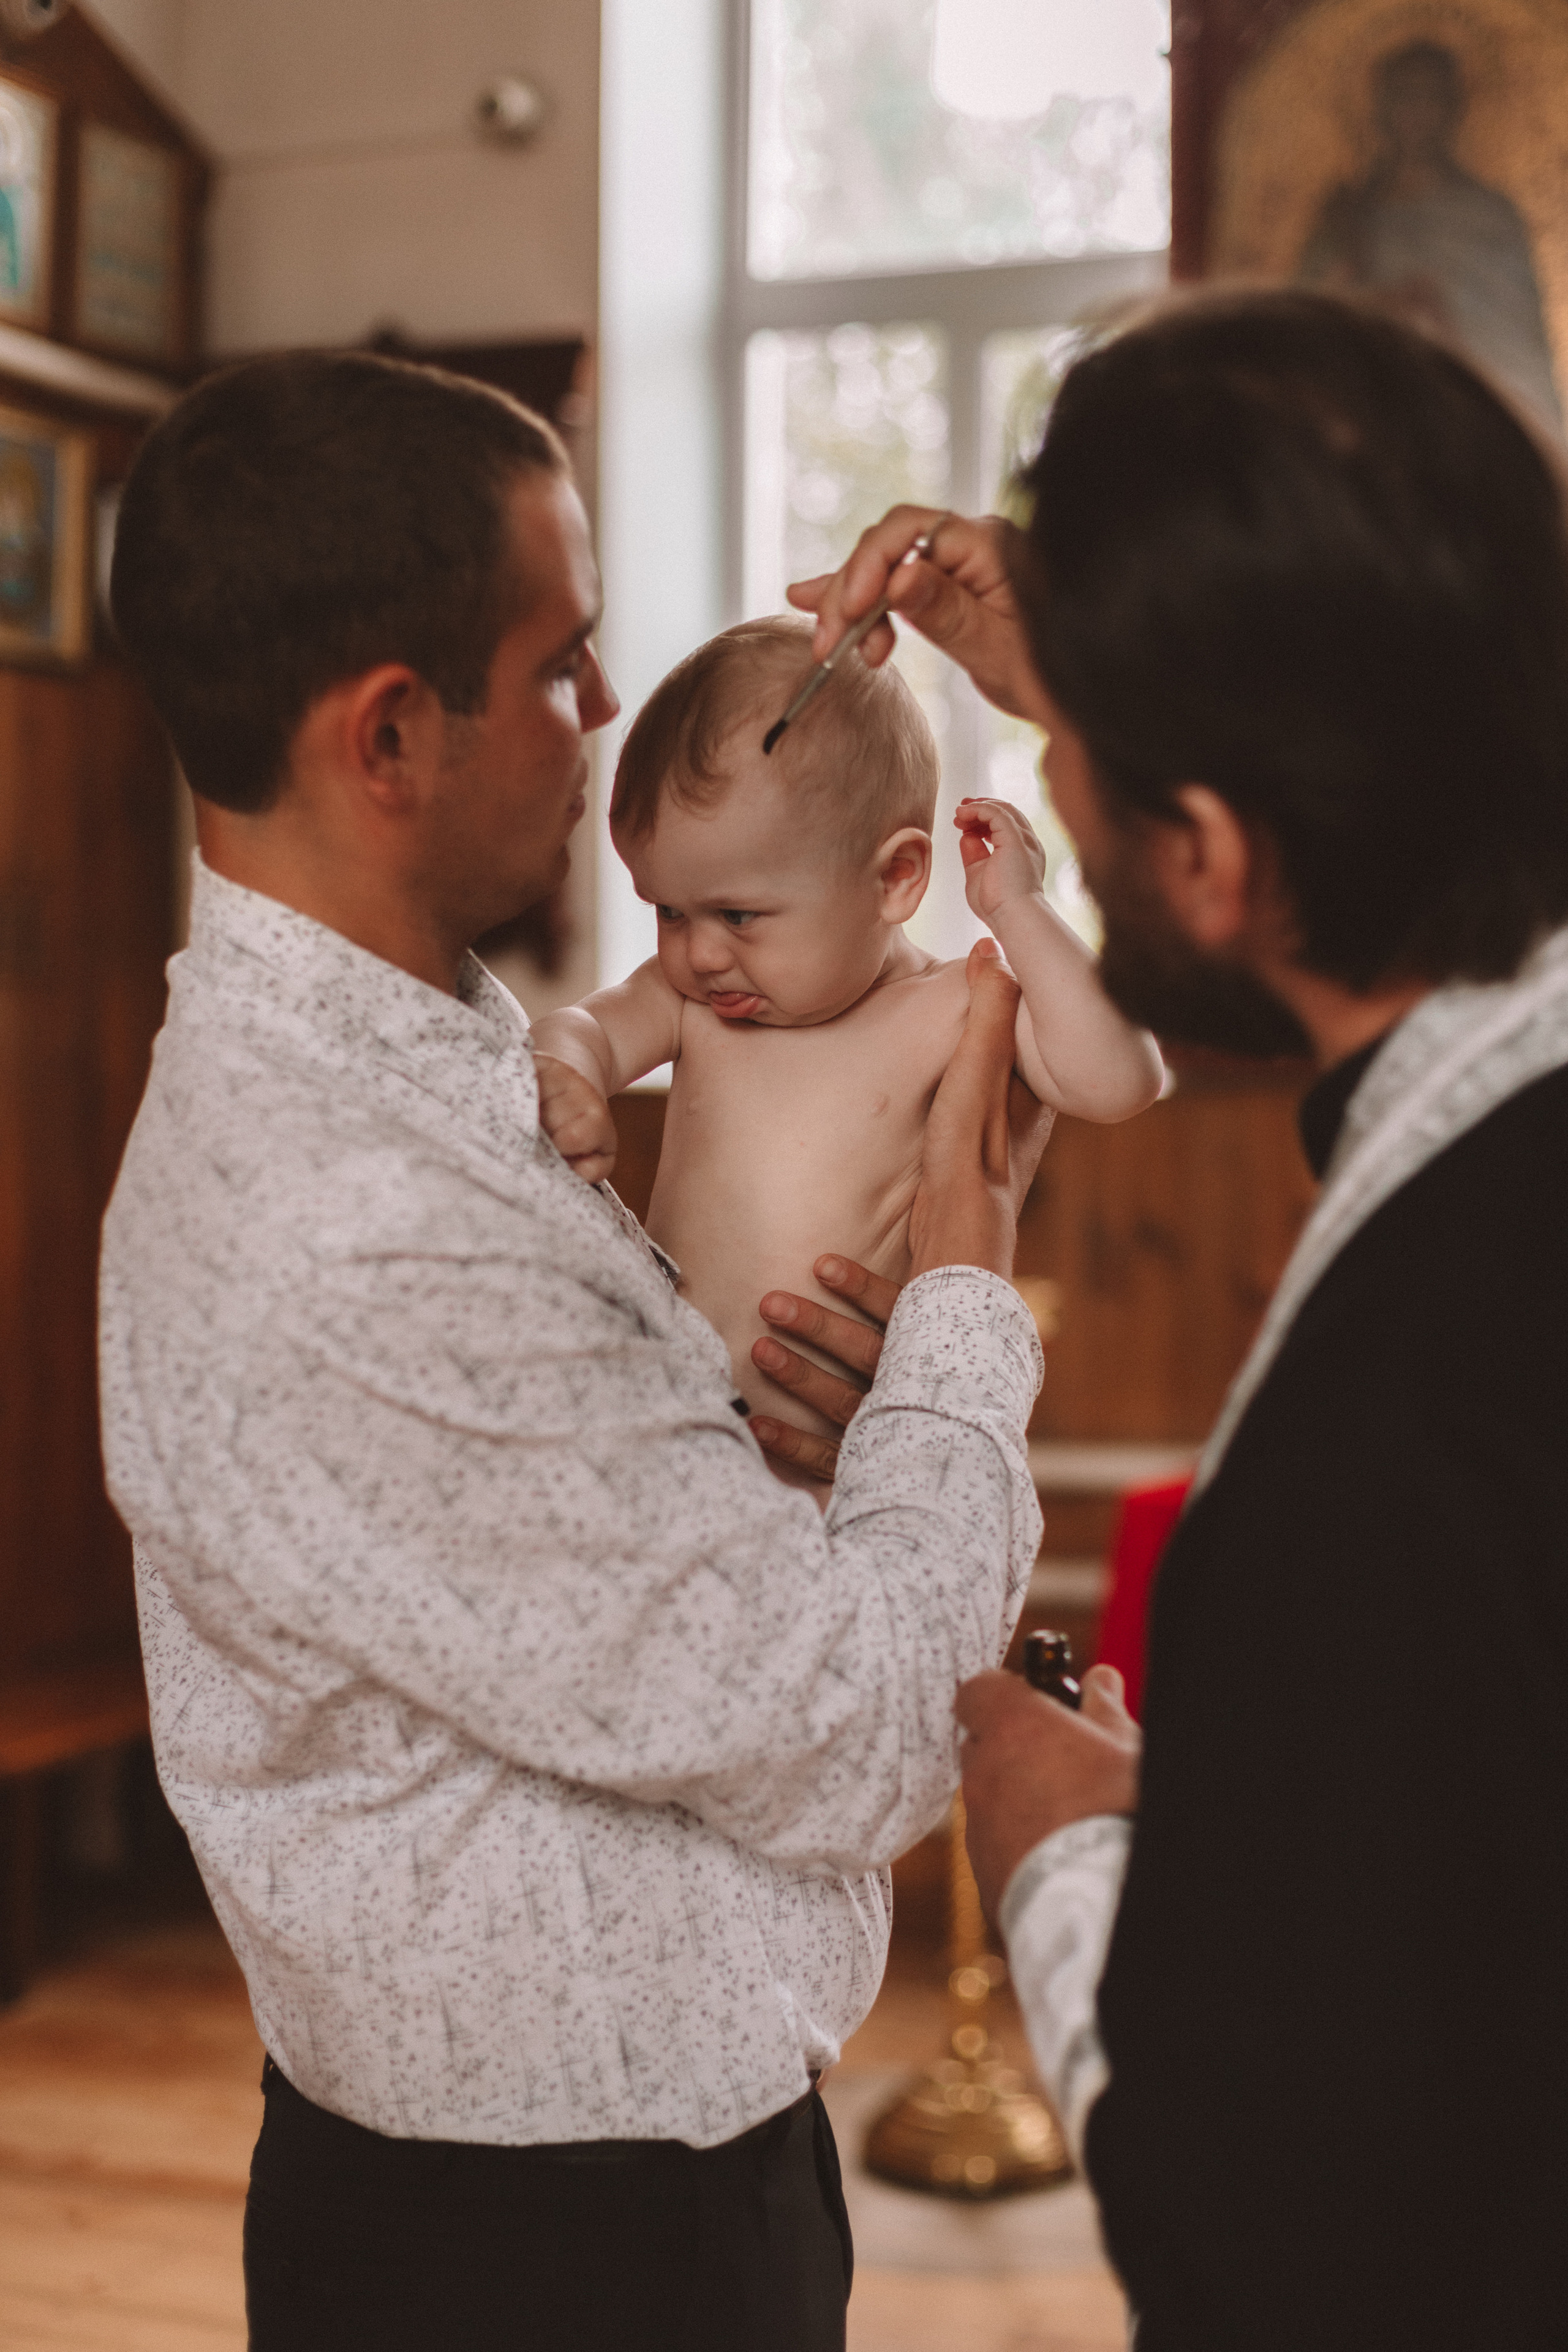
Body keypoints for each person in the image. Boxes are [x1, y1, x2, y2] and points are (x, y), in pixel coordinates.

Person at [97, 350, 1054, 2352]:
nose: (610, 713)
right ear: (387, 735)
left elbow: (578, 1540)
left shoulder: (422, 1071)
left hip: (565, 2189)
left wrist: (758, 1433)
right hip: (565, 2252)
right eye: (562, 662)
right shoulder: (360, 1208)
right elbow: (860, 1729)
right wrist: (968, 1273)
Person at [792, 290, 1568, 2348]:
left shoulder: (1394, 1432)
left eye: (1082, 767)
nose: (1059, 781)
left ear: (1211, 857)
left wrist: (1064, 1858)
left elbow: (1283, 2246)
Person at [530, 614, 1160, 1477]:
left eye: (738, 914)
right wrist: (565, 1068)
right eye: (668, 910)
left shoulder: (952, 1007)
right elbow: (583, 1026)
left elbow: (1118, 1078)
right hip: (664, 1452)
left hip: (840, 1474)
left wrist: (1021, 911)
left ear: (897, 877)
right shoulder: (695, 1003)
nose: (699, 950)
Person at [1298, 39, 1563, 437]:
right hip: (1373, 409)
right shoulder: (1347, 215)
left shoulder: (1488, 217)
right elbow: (1306, 320)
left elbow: (1519, 350)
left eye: (1432, 98)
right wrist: (1371, 298)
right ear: (1382, 108)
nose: (1417, 113)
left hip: (1468, 416)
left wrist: (1441, 314)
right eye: (1404, 97)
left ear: (1454, 108)